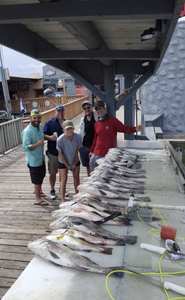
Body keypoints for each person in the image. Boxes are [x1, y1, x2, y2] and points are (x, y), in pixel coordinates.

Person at [89, 101, 144, 172]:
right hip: (95, 154)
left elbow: (124, 128)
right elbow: (95, 138)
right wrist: (91, 151)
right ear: (95, 111)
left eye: (101, 108)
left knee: (106, 177)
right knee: (93, 175)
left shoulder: (113, 121)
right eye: (97, 109)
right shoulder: (96, 124)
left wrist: (135, 129)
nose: (99, 111)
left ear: (105, 108)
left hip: (107, 155)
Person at [22, 109, 48, 206]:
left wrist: (49, 137)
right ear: (30, 118)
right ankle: (38, 199)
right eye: (34, 118)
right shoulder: (27, 131)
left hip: (40, 157)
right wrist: (37, 144)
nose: (36, 119)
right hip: (33, 160)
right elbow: (25, 147)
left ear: (41, 118)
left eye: (38, 117)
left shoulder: (40, 126)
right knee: (37, 179)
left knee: (42, 175)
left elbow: (42, 137)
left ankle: (39, 191)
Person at [43, 105, 66, 200]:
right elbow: (43, 134)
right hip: (53, 152)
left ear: (64, 112)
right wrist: (50, 137)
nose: (60, 113)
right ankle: (52, 190)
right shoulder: (49, 123)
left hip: (64, 153)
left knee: (63, 172)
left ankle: (62, 188)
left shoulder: (66, 122)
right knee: (52, 173)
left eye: (62, 111)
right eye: (58, 111)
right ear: (55, 112)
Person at [56, 120, 82, 202]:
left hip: (74, 159)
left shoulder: (78, 137)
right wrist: (66, 165)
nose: (69, 130)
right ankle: (62, 199)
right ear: (63, 130)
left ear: (73, 129)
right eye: (67, 129)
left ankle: (77, 195)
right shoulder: (60, 140)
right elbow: (60, 154)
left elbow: (77, 150)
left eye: (71, 128)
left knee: (76, 177)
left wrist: (74, 163)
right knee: (63, 179)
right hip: (63, 161)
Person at [79, 101, 98, 176]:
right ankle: (89, 181)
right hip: (84, 146)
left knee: (97, 166)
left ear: (92, 107)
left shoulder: (97, 116)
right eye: (85, 108)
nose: (87, 109)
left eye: (88, 107)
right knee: (88, 167)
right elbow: (80, 133)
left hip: (96, 147)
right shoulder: (82, 120)